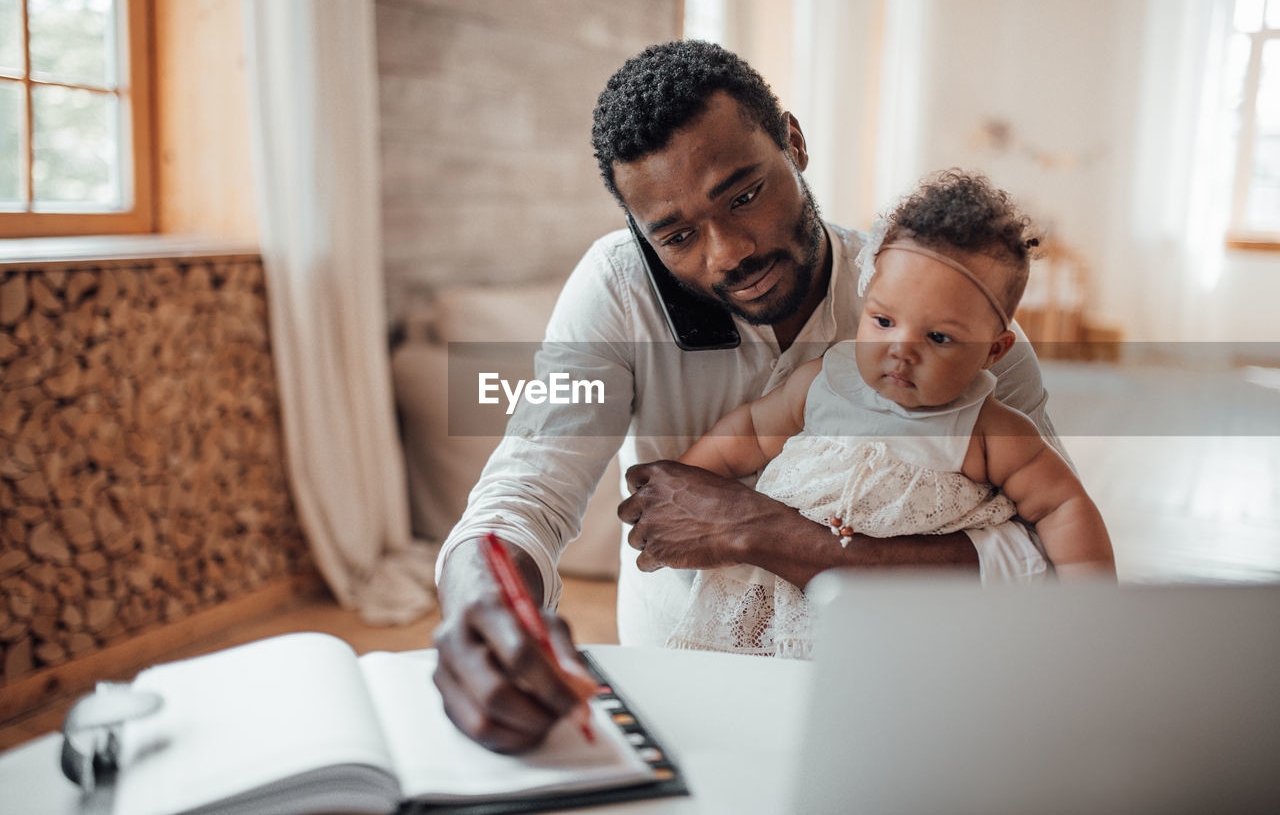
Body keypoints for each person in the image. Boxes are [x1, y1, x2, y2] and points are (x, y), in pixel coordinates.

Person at [431, 40, 1063, 753]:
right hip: (685, 692)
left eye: (743, 196)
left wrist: (764, 532)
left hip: (901, 699)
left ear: (793, 142)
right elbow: (523, 493)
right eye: (676, 235)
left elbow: (1042, 555)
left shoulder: (938, 302)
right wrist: (484, 602)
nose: (728, 251)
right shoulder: (617, 291)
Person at [668, 170, 1116, 658]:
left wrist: (1090, 612)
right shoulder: (825, 382)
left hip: (905, 630)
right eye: (883, 321)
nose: (901, 350)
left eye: (939, 338)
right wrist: (686, 480)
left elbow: (1060, 506)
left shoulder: (987, 429)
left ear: (994, 351)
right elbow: (751, 431)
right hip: (777, 607)